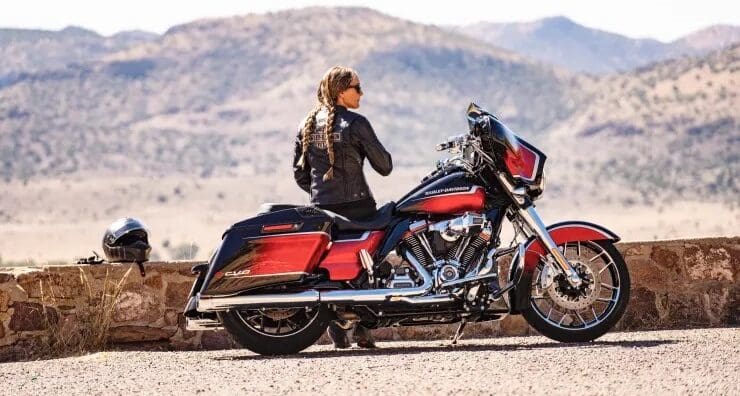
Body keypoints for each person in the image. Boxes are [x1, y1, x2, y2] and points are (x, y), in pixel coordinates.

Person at [293, 66, 393, 348]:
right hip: (359, 208)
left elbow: (301, 175)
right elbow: (384, 167)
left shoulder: (306, 124)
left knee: (335, 267)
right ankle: (361, 325)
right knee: (372, 265)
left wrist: (322, 196)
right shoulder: (356, 123)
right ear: (340, 92)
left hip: (322, 211)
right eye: (356, 87)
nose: (361, 93)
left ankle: (341, 322)